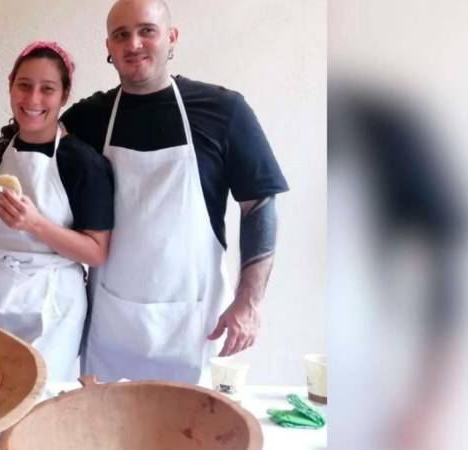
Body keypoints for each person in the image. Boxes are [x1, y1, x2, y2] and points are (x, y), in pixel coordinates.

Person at [64, 0, 288, 383]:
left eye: (146, 30)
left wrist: (248, 302)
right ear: (108, 47)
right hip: (112, 327)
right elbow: (33, 158)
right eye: (121, 34)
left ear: (171, 37)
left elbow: (259, 204)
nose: (133, 43)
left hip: (196, 326)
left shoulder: (223, 110)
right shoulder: (87, 119)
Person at [0, 42, 113, 384]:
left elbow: (96, 251)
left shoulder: (82, 162)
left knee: (32, 403)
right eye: (24, 86)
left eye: (47, 89)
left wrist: (35, 224)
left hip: (49, 303)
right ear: (11, 84)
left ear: (65, 94)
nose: (33, 100)